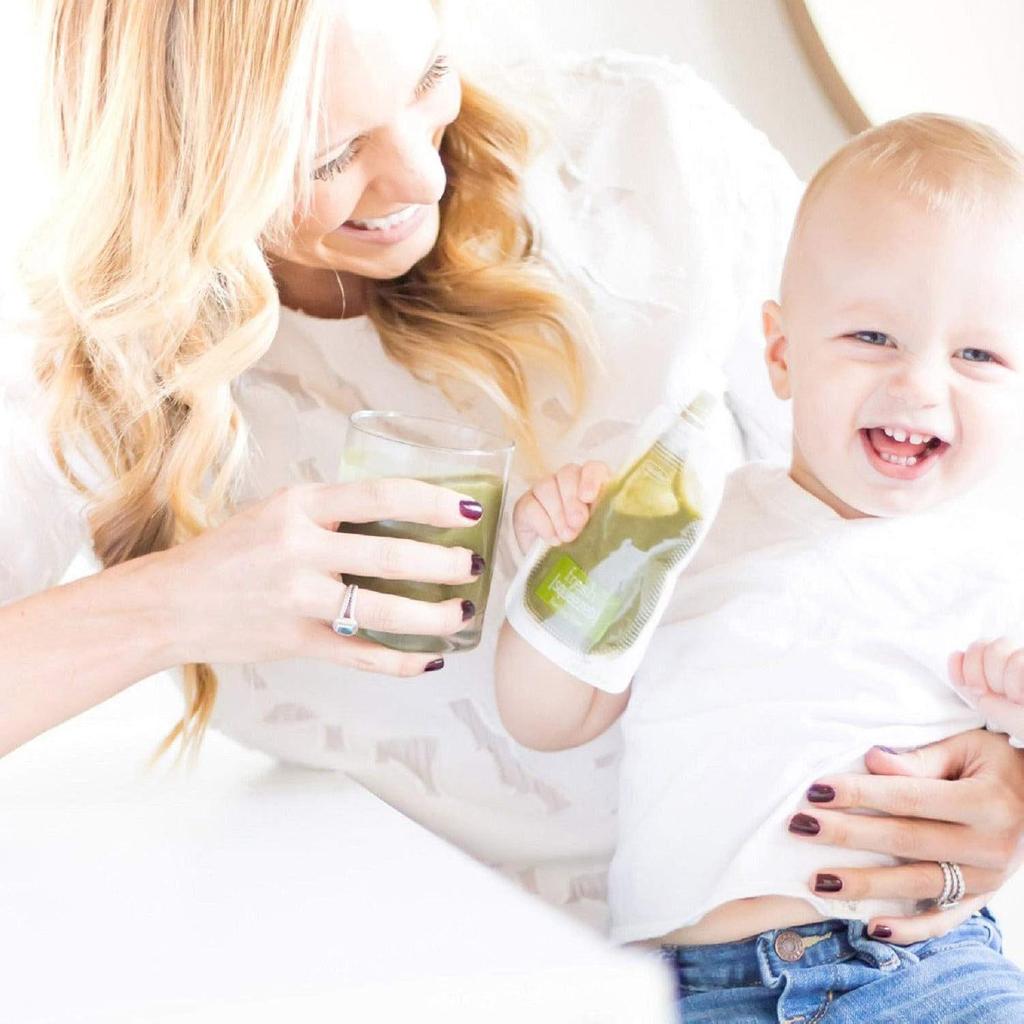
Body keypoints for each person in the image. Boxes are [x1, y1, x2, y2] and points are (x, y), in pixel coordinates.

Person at [1, 0, 1022, 945]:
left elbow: (954, 497)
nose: (422, 178)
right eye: (330, 153)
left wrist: (1006, 779)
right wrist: (172, 604)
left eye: (426, 79)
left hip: (855, 928)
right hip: (468, 962)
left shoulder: (647, 149)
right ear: (175, 152)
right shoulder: (85, 368)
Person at [495, 113, 1024, 1019]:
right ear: (781, 355)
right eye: (872, 337)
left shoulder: (995, 566)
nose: (918, 384)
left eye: (976, 354)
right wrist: (574, 573)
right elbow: (546, 718)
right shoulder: (693, 524)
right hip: (687, 988)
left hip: (918, 972)